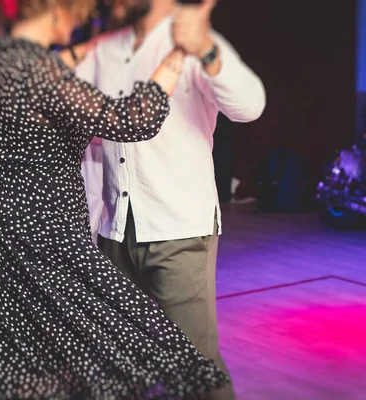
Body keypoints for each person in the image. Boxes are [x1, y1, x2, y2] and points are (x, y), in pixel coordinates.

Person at [0, 0, 229, 398]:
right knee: (128, 349)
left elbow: (53, 68)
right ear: (58, 11)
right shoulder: (44, 74)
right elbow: (133, 119)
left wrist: (100, 42)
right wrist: (180, 51)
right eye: (76, 16)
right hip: (42, 234)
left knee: (5, 358)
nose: (76, 26)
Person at [76, 0, 266, 399]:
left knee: (195, 368)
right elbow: (83, 123)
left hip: (178, 227)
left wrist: (208, 52)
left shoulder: (193, 39)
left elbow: (250, 107)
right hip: (115, 225)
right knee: (114, 362)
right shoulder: (105, 48)